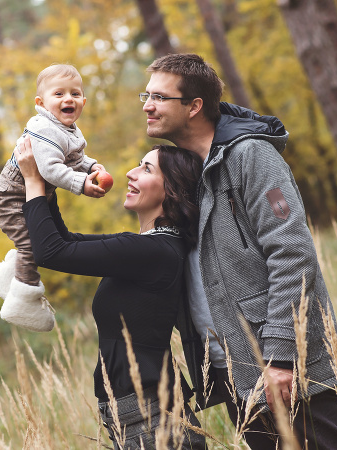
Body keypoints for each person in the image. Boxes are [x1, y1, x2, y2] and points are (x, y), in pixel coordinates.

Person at [141, 53, 337, 449]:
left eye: (159, 97)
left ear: (194, 107)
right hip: (232, 365)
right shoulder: (188, 170)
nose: (147, 105)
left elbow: (293, 255)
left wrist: (280, 357)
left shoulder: (250, 156)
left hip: (278, 359)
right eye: (146, 95)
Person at [16, 136, 206, 450]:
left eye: (145, 169)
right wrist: (49, 183)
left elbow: (50, 252)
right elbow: (66, 241)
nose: (130, 173)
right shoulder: (151, 247)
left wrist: (33, 181)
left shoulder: (153, 251)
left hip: (152, 419)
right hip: (139, 415)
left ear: (170, 189)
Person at [0, 64, 107, 332]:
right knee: (32, 245)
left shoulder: (69, 129)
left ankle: (9, 279)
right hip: (12, 199)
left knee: (36, 244)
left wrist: (90, 167)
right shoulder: (43, 128)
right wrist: (82, 184)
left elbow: (75, 158)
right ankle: (24, 301)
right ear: (41, 103)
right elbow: (50, 169)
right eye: (59, 94)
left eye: (75, 94)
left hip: (30, 197)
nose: (69, 99)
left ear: (84, 101)